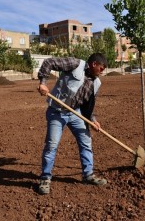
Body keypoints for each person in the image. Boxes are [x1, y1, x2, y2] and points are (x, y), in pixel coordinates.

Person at [37, 53, 108, 195]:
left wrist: (92, 120)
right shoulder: (75, 64)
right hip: (57, 111)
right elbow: (49, 62)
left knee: (86, 142)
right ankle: (45, 178)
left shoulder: (96, 83)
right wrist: (43, 83)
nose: (102, 72)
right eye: (101, 68)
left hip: (76, 114)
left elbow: (88, 105)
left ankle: (88, 175)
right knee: (52, 144)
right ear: (94, 64)